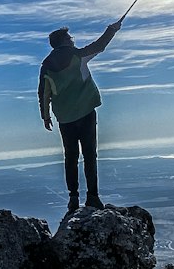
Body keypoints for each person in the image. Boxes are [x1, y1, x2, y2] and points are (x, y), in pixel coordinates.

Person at [38, 18, 123, 212]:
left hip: (65, 117)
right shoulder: (78, 56)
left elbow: (44, 93)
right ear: (65, 41)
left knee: (71, 157)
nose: (72, 40)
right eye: (70, 37)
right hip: (85, 112)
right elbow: (99, 46)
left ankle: (73, 198)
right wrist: (112, 29)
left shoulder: (47, 66)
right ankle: (92, 197)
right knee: (89, 155)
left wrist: (45, 116)